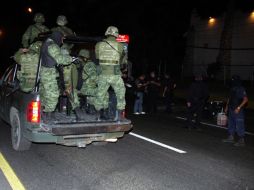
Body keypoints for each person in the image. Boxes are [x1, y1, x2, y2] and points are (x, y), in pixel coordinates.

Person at [39, 31, 82, 120]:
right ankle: (48, 117)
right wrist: (72, 59)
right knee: (53, 95)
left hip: (46, 72)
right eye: (61, 39)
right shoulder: (52, 45)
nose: (62, 42)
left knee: (45, 95)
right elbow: (60, 59)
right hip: (49, 73)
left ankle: (44, 114)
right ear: (57, 37)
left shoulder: (46, 43)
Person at [94, 26, 127, 121]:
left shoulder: (99, 44)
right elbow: (123, 61)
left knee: (100, 95)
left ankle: (97, 116)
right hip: (115, 75)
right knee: (120, 94)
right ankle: (120, 116)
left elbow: (97, 57)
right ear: (116, 34)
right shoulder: (120, 46)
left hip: (103, 74)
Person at [223, 75, 248, 146]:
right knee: (231, 123)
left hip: (238, 110)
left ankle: (241, 140)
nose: (232, 81)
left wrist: (238, 108)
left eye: (233, 80)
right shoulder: (232, 88)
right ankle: (231, 137)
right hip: (231, 108)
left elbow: (245, 99)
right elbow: (229, 98)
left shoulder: (241, 88)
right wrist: (227, 107)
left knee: (239, 124)